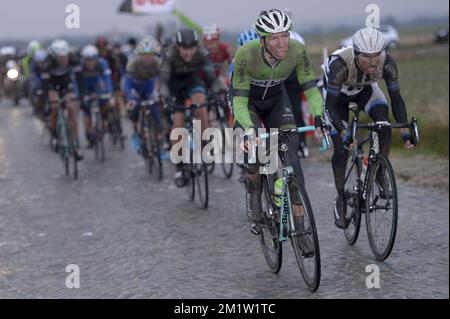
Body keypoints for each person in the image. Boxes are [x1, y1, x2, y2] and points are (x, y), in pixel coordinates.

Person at [232, 9, 324, 253]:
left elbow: (311, 88)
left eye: (284, 35)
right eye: (273, 38)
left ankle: (301, 230)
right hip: (248, 103)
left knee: (293, 163)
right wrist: (250, 130)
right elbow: (239, 101)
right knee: (255, 157)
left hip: (276, 102)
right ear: (262, 40)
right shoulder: (246, 54)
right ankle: (254, 200)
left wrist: (318, 116)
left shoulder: (296, 50)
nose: (281, 42)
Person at [323, 27, 415, 229]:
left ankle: (379, 169)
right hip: (337, 99)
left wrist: (405, 131)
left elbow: (396, 99)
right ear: (356, 54)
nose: (373, 63)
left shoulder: (387, 63)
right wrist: (345, 133)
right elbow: (330, 106)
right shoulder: (340, 65)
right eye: (366, 58)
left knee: (383, 122)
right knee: (341, 148)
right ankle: (340, 197)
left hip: (366, 91)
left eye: (377, 56)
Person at [160, 28, 217, 187]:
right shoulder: (169, 55)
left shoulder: (201, 52)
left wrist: (219, 91)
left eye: (191, 48)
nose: (188, 53)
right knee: (178, 124)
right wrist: (165, 97)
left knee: (201, 106)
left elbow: (211, 75)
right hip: (174, 86)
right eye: (185, 49)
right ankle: (179, 166)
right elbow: (164, 80)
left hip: (193, 81)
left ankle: (205, 143)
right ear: (178, 47)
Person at [42, 39, 83, 160]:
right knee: (55, 106)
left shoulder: (73, 60)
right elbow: (45, 86)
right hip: (52, 85)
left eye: (65, 57)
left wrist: (80, 95)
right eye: (60, 58)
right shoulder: (47, 65)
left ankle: (75, 143)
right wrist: (48, 101)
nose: (64, 60)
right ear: (54, 57)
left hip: (66, 84)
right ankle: (54, 134)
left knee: (71, 108)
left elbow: (79, 80)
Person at [123, 36, 163, 154]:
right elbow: (127, 83)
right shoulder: (132, 64)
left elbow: (160, 80)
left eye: (150, 55)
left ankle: (159, 139)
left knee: (155, 109)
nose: (147, 58)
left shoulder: (157, 63)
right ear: (139, 55)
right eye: (144, 55)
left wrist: (157, 93)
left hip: (149, 87)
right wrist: (130, 98)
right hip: (134, 87)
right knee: (134, 109)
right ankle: (136, 133)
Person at [76, 45, 114, 148]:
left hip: (97, 85)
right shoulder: (80, 66)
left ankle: (105, 121)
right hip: (85, 87)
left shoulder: (102, 63)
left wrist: (109, 94)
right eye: (88, 60)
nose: (91, 62)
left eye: (93, 60)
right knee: (86, 109)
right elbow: (76, 83)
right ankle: (89, 132)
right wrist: (79, 97)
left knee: (105, 102)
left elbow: (107, 79)